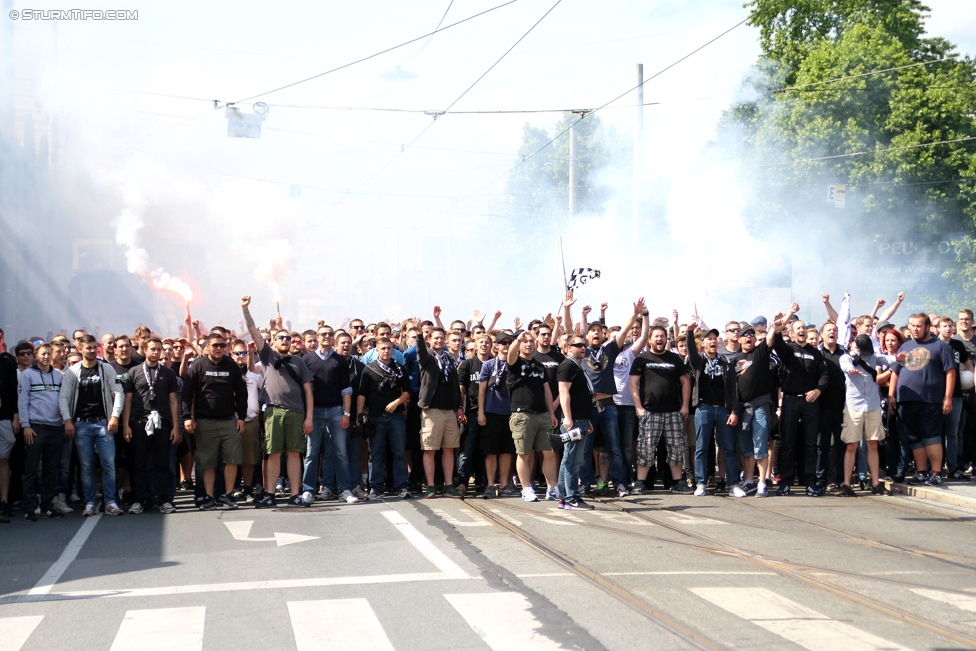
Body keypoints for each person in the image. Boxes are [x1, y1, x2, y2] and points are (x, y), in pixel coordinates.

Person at [243, 297, 314, 508]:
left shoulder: (299, 361)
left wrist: (309, 417)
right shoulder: (267, 356)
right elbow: (253, 330)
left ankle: (294, 494)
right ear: (273, 342)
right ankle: (270, 494)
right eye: (280, 338)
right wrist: (245, 308)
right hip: (273, 411)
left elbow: (308, 391)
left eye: (288, 339)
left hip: (296, 413)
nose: (285, 341)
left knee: (294, 453)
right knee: (272, 453)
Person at [58, 335, 125, 517]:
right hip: (81, 425)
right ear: (80, 349)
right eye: (88, 348)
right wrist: (67, 420)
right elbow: (64, 397)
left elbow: (118, 393)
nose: (92, 351)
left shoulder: (106, 368)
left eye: (95, 347)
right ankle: (89, 502)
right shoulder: (73, 371)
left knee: (108, 463)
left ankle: (110, 501)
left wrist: (114, 417)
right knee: (86, 465)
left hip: (103, 423)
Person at [181, 332, 248, 510]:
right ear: (207, 347)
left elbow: (242, 393)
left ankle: (228, 495)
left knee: (233, 459)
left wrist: (241, 416)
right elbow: (187, 393)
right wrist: (187, 417)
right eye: (215, 345)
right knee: (207, 462)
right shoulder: (197, 365)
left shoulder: (232, 365)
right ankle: (209, 497)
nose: (219, 348)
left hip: (229, 421)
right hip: (205, 421)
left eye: (222, 345)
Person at [889, 314, 957, 486]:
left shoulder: (940, 346)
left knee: (931, 437)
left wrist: (947, 398)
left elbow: (951, 372)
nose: (914, 329)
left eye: (918, 326)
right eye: (912, 325)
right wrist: (892, 395)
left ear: (928, 327)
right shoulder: (905, 345)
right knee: (914, 438)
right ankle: (921, 472)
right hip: (906, 400)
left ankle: (936, 473)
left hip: (931, 400)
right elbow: (895, 372)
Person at [772, 304, 829, 496]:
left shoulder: (816, 353)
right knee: (788, 443)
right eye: (798, 328)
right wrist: (785, 318)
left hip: (810, 402)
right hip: (790, 401)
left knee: (811, 443)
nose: (802, 331)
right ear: (793, 332)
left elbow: (824, 376)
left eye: (804, 328)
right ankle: (785, 482)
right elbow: (777, 337)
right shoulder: (787, 350)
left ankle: (810, 482)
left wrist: (818, 390)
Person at [629, 324, 692, 495]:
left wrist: (685, 406)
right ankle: (640, 482)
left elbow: (686, 382)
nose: (659, 339)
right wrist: (638, 407)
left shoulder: (674, 359)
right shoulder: (641, 359)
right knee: (645, 448)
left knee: (676, 448)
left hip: (673, 412)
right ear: (649, 340)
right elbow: (633, 383)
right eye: (656, 336)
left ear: (666, 339)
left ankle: (678, 482)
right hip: (649, 412)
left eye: (662, 336)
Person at [122, 338, 181, 514]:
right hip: (139, 422)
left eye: (158, 350)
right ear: (145, 350)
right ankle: (139, 500)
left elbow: (173, 402)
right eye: (152, 349)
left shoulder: (168, 373)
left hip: (162, 423)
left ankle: (164, 500)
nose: (156, 353)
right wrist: (125, 425)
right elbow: (128, 400)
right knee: (139, 463)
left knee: (161, 463)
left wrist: (175, 426)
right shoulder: (134, 372)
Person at [685, 324, 743, 497]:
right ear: (702, 343)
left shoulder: (726, 362)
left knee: (728, 448)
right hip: (704, 409)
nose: (712, 341)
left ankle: (733, 484)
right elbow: (691, 351)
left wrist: (734, 411)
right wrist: (689, 333)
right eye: (708, 338)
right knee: (701, 447)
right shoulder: (698, 360)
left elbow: (733, 389)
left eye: (715, 339)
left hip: (724, 410)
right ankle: (701, 483)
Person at [302, 323, 353, 502]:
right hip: (314, 413)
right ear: (317, 336)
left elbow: (346, 390)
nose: (327, 336)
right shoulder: (307, 360)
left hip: (336, 411)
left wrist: (346, 414)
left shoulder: (340, 360)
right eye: (323, 334)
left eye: (330, 334)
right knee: (311, 454)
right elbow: (304, 390)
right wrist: (306, 416)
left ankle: (345, 490)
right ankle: (308, 490)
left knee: (340, 452)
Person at [506, 331, 558, 502]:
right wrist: (517, 340)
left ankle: (552, 488)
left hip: (542, 415)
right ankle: (526, 489)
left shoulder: (540, 366)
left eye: (530, 341)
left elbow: (547, 391)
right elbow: (510, 354)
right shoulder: (515, 362)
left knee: (549, 452)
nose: (528, 344)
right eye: (524, 341)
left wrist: (551, 413)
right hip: (522, 415)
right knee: (524, 454)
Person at [357, 337, 412, 499]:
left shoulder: (400, 368)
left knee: (399, 453)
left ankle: (401, 486)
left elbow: (407, 392)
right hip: (375, 417)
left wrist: (397, 403)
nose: (386, 351)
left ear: (393, 350)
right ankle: (376, 488)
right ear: (377, 350)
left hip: (396, 417)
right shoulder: (368, 369)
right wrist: (360, 415)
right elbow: (362, 394)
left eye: (389, 348)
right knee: (376, 454)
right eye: (383, 348)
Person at [18, 343, 67, 520]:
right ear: (36, 356)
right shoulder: (27, 375)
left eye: (48, 354)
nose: (46, 357)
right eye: (43, 354)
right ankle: (30, 508)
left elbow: (64, 400)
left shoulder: (58, 375)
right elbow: (22, 402)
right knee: (31, 469)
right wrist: (26, 426)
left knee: (50, 470)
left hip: (55, 428)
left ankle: (47, 505)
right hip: (35, 428)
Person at [839, 335, 890, 496]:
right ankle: (846, 485)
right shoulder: (846, 357)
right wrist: (850, 369)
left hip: (873, 405)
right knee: (852, 445)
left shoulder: (874, 357)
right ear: (857, 347)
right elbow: (845, 365)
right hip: (854, 406)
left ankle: (876, 484)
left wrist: (899, 358)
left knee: (873, 444)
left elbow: (887, 359)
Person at [416, 327, 463, 498]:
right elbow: (420, 353)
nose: (439, 341)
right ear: (429, 340)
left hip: (449, 410)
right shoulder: (427, 356)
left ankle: (448, 485)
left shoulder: (450, 358)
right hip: (432, 409)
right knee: (429, 449)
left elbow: (455, 383)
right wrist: (420, 336)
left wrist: (459, 406)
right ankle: (430, 486)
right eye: (435, 338)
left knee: (449, 448)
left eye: (441, 338)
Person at [734, 322, 777, 497]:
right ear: (740, 339)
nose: (749, 337)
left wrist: (777, 322)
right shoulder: (735, 360)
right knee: (746, 449)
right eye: (745, 335)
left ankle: (761, 483)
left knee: (761, 444)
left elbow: (770, 337)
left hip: (759, 406)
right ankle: (750, 481)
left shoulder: (759, 354)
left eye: (751, 335)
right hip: (743, 410)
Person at [556, 333, 595, 509]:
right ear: (568, 347)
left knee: (569, 458)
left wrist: (586, 420)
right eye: (578, 345)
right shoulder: (568, 366)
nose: (582, 347)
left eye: (583, 345)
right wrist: (568, 418)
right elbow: (563, 392)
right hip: (574, 420)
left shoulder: (576, 365)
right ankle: (572, 496)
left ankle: (563, 496)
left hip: (581, 418)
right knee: (573, 459)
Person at [478, 333, 517, 498]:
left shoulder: (515, 364)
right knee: (491, 450)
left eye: (509, 342)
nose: (506, 345)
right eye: (503, 343)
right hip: (492, 411)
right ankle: (490, 484)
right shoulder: (488, 365)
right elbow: (481, 390)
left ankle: (503, 484)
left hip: (510, 412)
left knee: (507, 451)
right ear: (497, 345)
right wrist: (481, 411)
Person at [936, 316, 973, 481]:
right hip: (935, 395)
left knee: (953, 433)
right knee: (935, 433)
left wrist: (973, 377)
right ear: (938, 328)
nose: (948, 329)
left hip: (956, 394)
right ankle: (934, 468)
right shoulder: (933, 344)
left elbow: (968, 365)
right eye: (945, 326)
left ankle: (953, 467)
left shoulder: (958, 345)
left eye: (950, 326)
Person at [230, 339, 264, 500]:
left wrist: (261, 410)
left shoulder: (254, 374)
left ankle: (247, 488)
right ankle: (233, 487)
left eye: (244, 353)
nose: (241, 356)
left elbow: (265, 394)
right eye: (238, 353)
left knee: (250, 458)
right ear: (232, 354)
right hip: (231, 421)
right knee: (232, 457)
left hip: (251, 421)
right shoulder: (228, 372)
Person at [0, 341, 17, 522]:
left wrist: (16, 417)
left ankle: (4, 503)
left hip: (4, 417)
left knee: (3, 460)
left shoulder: (6, 363)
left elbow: (14, 393)